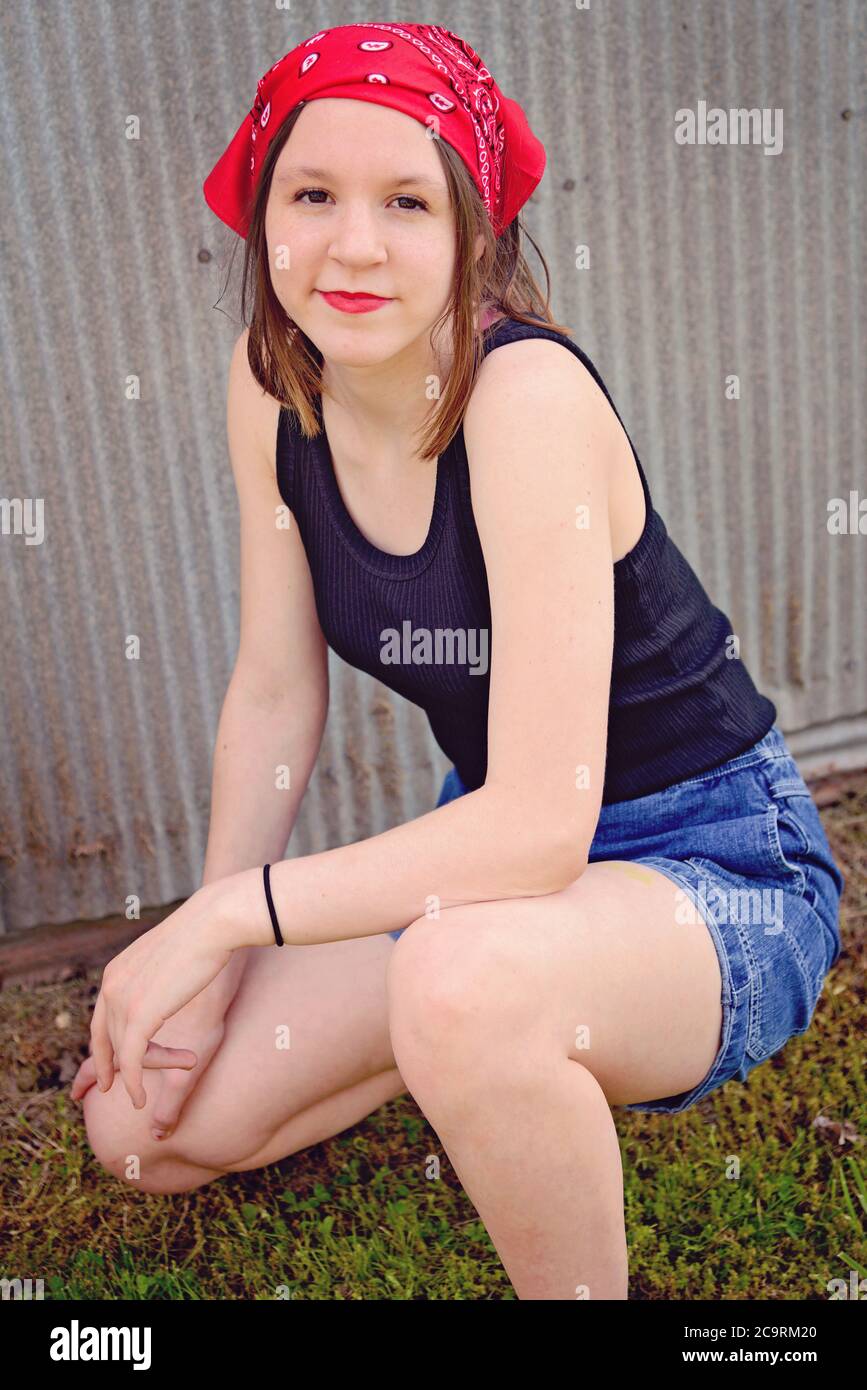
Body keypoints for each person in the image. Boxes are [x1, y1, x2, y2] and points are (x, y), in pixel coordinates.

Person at [73, 23, 845, 1300]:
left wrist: (221, 916)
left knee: (458, 980)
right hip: (494, 879)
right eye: (313, 194)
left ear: (471, 233)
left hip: (711, 863)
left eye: (407, 201)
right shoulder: (274, 388)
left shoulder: (523, 401)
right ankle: (473, 1049)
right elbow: (275, 686)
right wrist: (207, 975)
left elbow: (545, 821)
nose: (355, 245)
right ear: (262, 213)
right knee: (146, 1129)